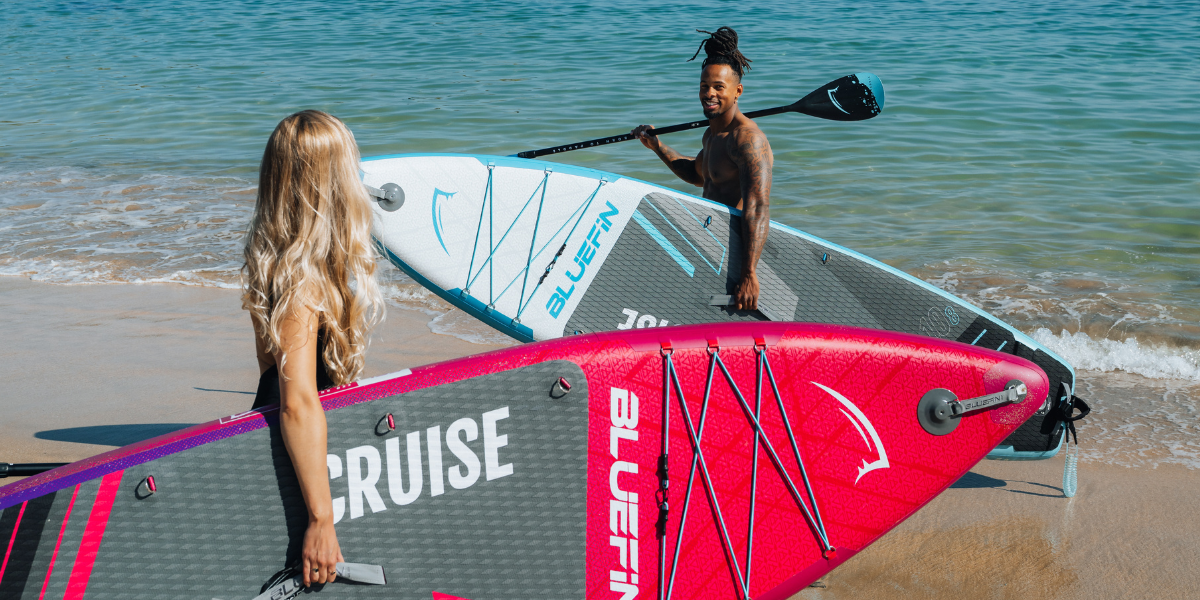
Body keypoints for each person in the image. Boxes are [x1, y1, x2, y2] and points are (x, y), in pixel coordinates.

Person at [242, 110, 385, 587]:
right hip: (293, 454)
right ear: (333, 183)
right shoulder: (301, 286)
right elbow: (297, 401)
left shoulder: (294, 267)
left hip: (297, 450)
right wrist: (321, 520)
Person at [632, 27, 773, 311]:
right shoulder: (712, 136)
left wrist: (749, 274)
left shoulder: (748, 140)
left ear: (737, 92)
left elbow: (757, 208)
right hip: (709, 243)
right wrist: (658, 147)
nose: (709, 94)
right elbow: (698, 175)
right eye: (704, 86)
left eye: (719, 87)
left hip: (735, 253)